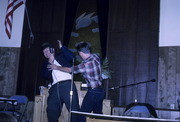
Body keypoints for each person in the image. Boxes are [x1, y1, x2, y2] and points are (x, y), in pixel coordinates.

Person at [48, 41, 105, 122]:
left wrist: (56, 67)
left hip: (93, 92)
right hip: (100, 91)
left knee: (81, 117)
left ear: (80, 53)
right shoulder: (96, 57)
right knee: (98, 115)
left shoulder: (86, 65)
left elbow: (68, 69)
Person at [41, 40, 80, 122]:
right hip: (54, 88)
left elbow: (72, 57)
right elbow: (45, 75)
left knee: (74, 110)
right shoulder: (46, 64)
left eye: (47, 50)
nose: (45, 53)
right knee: (51, 111)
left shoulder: (61, 56)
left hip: (67, 84)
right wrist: (50, 60)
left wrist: (62, 47)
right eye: (44, 52)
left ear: (52, 50)